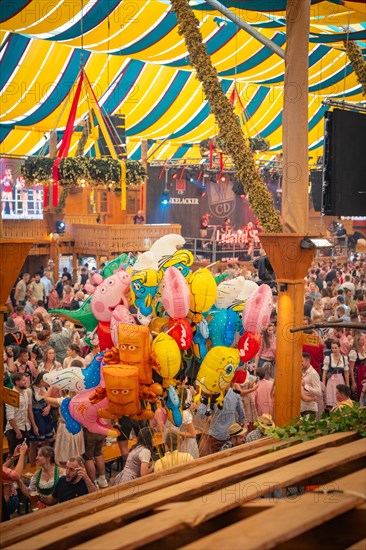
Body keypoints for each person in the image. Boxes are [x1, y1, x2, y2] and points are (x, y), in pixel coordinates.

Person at [197, 386, 245, 456]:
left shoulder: (210, 394)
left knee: (216, 458)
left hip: (216, 435)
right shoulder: (235, 394)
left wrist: (204, 401)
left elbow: (201, 415)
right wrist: (239, 425)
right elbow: (241, 414)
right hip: (231, 435)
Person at [5, 373, 39, 454]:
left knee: (25, 452)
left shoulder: (28, 391)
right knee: (15, 454)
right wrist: (17, 431)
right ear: (17, 382)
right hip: (14, 429)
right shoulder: (11, 394)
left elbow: (29, 410)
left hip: (26, 427)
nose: (26, 382)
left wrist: (34, 426)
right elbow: (10, 417)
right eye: (23, 380)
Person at [2, 441, 28, 520]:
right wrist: (22, 454)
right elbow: (16, 475)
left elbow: (2, 468)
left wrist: (14, 457)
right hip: (6, 502)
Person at [322, 341, 350, 410]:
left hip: (340, 379)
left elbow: (346, 372)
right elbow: (324, 372)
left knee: (341, 400)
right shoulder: (328, 358)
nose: (334, 350)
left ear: (339, 348)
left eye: (335, 348)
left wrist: (348, 384)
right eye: (332, 348)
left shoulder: (344, 358)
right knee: (331, 402)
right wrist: (323, 384)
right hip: (331, 380)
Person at [300, 352, 322, 417]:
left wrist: (305, 386)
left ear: (308, 361)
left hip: (309, 409)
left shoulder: (313, 374)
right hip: (301, 408)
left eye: (302, 361)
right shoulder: (300, 371)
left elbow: (318, 392)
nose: (300, 363)